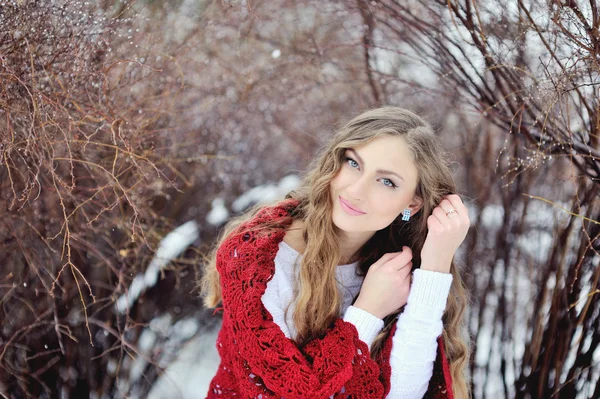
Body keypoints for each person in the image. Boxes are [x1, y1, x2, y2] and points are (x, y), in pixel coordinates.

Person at [199, 107, 471, 398]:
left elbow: (404, 392)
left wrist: (434, 269)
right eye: (353, 163)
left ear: (412, 205)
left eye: (387, 181)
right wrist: (367, 313)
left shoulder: (393, 270)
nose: (356, 190)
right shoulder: (259, 258)